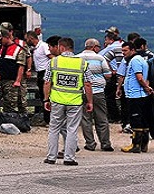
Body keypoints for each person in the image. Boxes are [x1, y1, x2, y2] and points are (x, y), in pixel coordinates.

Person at [43, 37, 93, 166]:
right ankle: (69, 158)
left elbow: (47, 82)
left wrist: (46, 98)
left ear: (62, 47)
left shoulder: (54, 62)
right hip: (75, 101)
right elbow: (87, 84)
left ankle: (51, 157)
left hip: (57, 100)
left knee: (54, 128)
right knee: (72, 129)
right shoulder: (82, 63)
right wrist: (90, 101)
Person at [76, 38, 113, 152]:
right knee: (101, 118)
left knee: (86, 119)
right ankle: (105, 143)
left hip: (82, 92)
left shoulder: (77, 58)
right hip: (98, 91)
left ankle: (90, 143)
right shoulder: (100, 58)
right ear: (94, 47)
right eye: (98, 47)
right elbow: (108, 75)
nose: (99, 49)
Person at [117, 42, 152, 153]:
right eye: (122, 51)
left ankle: (136, 145)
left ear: (132, 50)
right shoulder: (140, 59)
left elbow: (140, 78)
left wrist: (146, 87)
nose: (123, 53)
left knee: (135, 120)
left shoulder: (135, 60)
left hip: (135, 94)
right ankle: (143, 145)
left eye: (125, 51)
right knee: (143, 120)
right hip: (140, 94)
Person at [0, 28, 27, 113]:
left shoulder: (19, 49)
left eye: (1, 39)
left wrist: (18, 81)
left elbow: (21, 67)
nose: (0, 41)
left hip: (11, 80)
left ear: (7, 37)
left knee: (10, 103)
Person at [99, 27, 126, 130]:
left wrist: (111, 70)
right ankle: (123, 118)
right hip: (124, 74)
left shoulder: (112, 48)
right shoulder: (123, 45)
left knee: (110, 96)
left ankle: (114, 116)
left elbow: (102, 58)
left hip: (114, 74)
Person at [26, 31, 53, 124]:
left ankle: (49, 119)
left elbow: (51, 56)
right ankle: (47, 118)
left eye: (27, 39)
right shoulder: (35, 48)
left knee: (46, 95)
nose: (26, 41)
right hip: (40, 72)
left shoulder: (43, 46)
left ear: (31, 38)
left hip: (45, 71)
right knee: (42, 95)